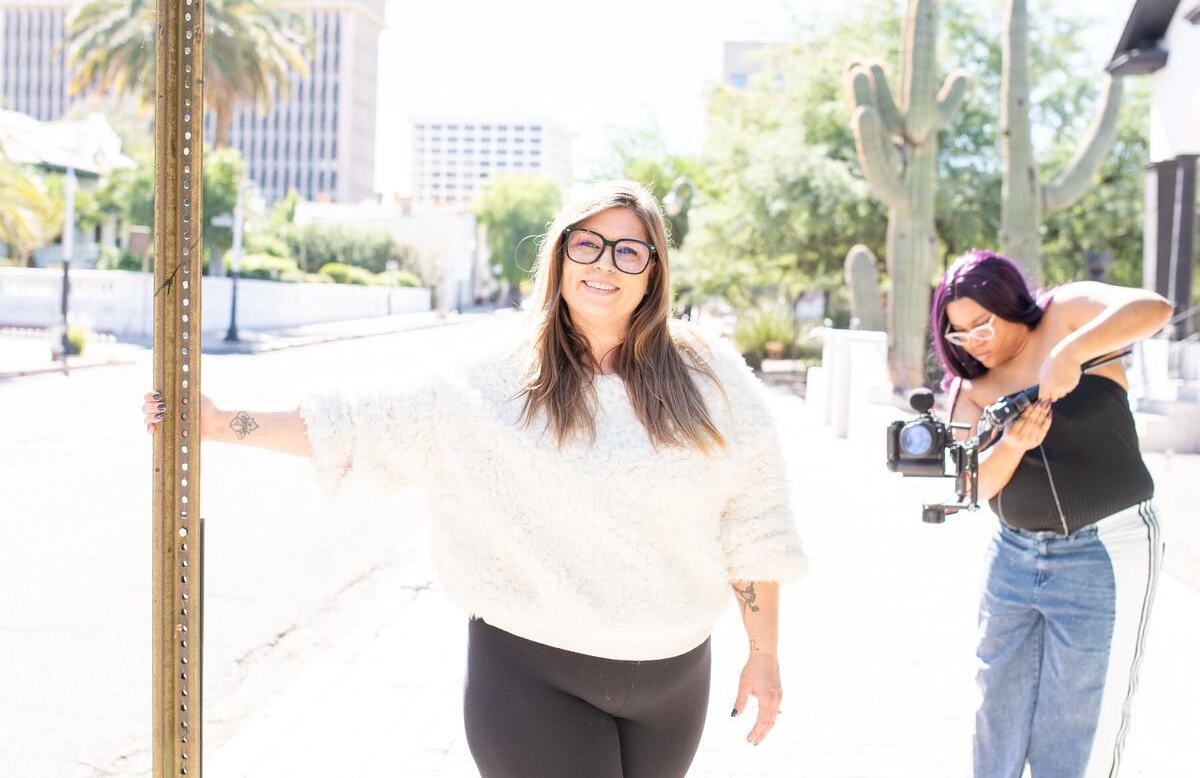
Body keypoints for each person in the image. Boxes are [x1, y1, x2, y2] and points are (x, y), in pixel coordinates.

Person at [143, 180, 807, 778]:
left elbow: (754, 525)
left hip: (675, 685)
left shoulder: (713, 380)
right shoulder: (488, 375)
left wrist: (765, 653)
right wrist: (220, 423)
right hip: (534, 680)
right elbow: (357, 424)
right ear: (560, 254)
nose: (604, 263)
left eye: (628, 252)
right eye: (588, 244)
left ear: (654, 272)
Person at [930, 250, 1173, 778]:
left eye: (981, 324)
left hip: (1106, 552)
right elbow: (972, 487)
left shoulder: (1066, 313)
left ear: (1009, 301)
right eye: (959, 333)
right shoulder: (969, 389)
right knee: (997, 710)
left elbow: (1155, 309)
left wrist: (1072, 350)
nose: (974, 342)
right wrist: (1013, 445)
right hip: (1013, 560)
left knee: (1079, 721)